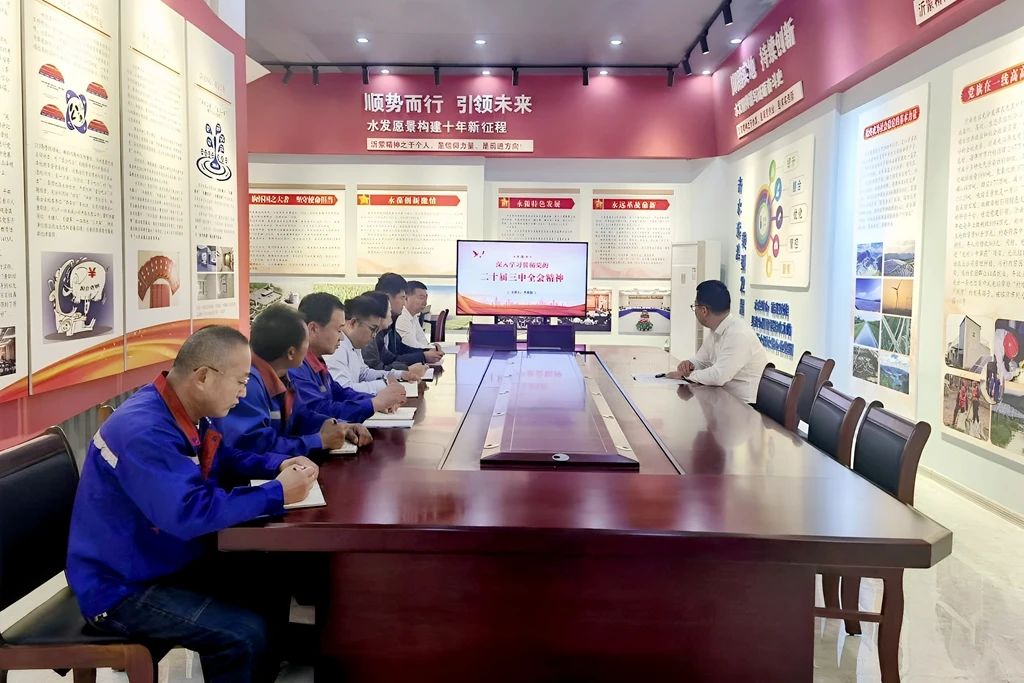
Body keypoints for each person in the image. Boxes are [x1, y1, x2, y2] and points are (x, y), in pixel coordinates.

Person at [67, 325, 319, 683]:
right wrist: (277, 493)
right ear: (203, 377)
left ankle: (269, 666)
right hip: (121, 588)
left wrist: (276, 465)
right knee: (240, 634)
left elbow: (221, 456)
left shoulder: (182, 409)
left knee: (270, 574)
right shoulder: (145, 431)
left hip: (164, 558)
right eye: (240, 382)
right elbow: (189, 512)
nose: (243, 392)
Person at [215, 305, 370, 458]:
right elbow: (258, 447)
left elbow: (300, 416)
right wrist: (319, 441)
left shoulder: (283, 376)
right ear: (291, 353)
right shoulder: (248, 386)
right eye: (307, 341)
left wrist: (339, 426)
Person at [292, 292, 405, 418]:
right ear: (313, 329)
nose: (341, 337)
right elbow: (318, 411)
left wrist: (374, 401)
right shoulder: (296, 367)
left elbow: (341, 394)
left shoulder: (317, 361)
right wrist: (373, 403)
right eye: (338, 330)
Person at [667, 280, 769, 404]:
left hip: (744, 406)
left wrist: (686, 376)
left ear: (704, 311)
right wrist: (689, 365)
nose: (695, 311)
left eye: (695, 306)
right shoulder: (716, 330)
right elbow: (700, 361)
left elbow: (718, 376)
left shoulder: (738, 334)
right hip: (723, 399)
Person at [326, 293, 424, 395]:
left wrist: (398, 375)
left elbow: (364, 374)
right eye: (372, 329)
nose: (374, 336)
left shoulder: (353, 344)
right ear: (353, 323)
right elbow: (344, 390)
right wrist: (386, 384)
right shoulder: (337, 347)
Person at [376, 272, 443, 365]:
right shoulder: (375, 325)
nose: (404, 303)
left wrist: (427, 351)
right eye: (402, 298)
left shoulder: (392, 320)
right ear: (387, 298)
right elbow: (384, 362)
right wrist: (423, 356)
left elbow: (401, 348)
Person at [395, 280, 440, 351]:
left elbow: (422, 341)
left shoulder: (413, 316)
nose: (425, 303)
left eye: (426, 298)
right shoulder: (401, 317)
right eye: (421, 298)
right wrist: (433, 349)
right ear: (406, 298)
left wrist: (432, 348)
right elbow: (411, 345)